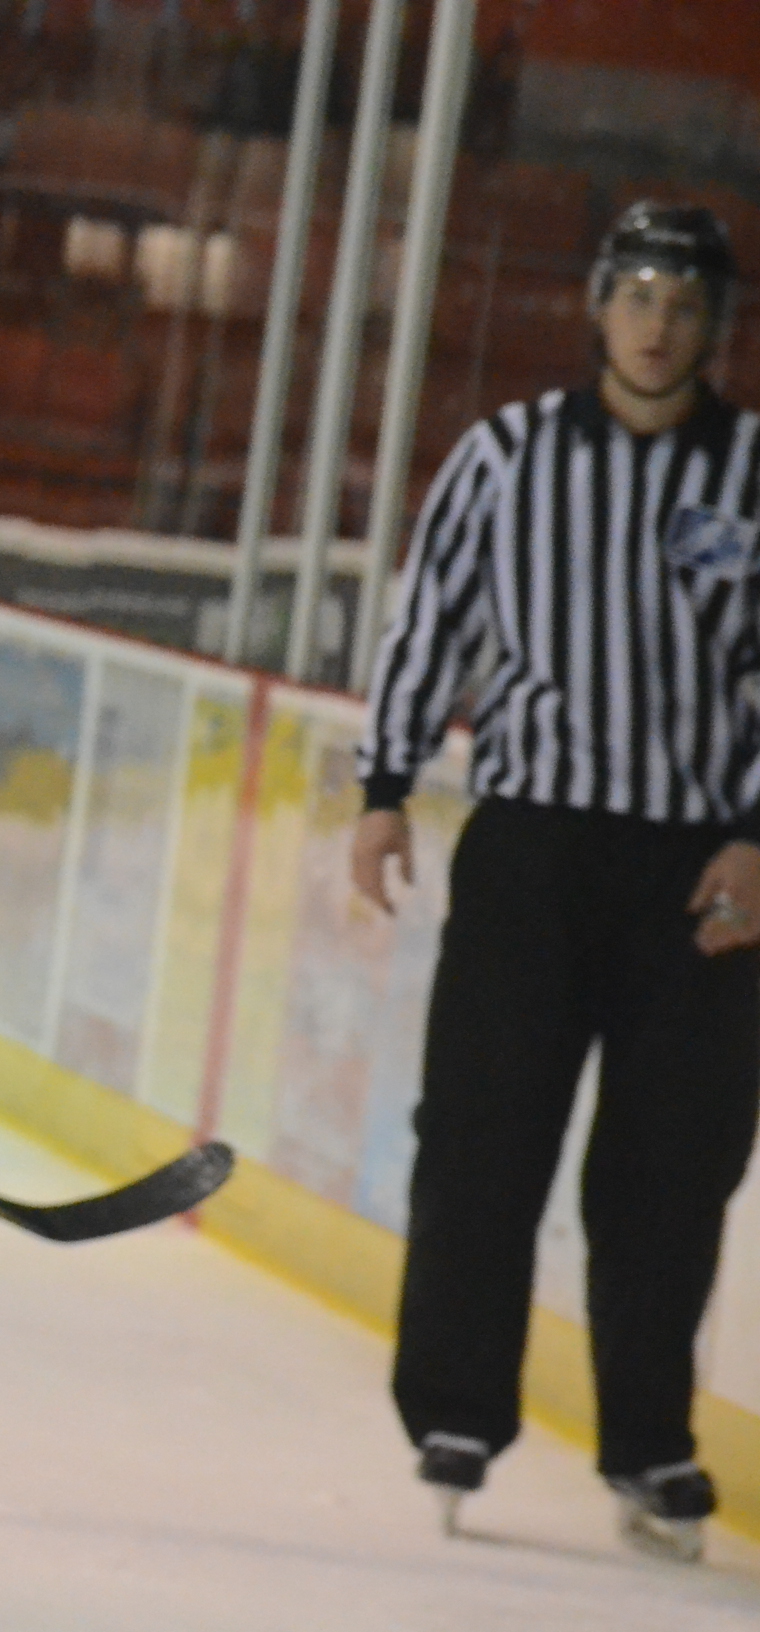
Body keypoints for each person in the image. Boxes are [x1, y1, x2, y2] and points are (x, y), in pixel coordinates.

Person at [353, 201, 760, 1562]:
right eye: (637, 294)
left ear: (714, 327)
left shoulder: (751, 472)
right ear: (597, 304)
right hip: (531, 852)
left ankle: (649, 1443)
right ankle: (456, 1413)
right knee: (482, 1139)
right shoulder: (508, 454)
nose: (657, 324)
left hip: (699, 875)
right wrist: (383, 787)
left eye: (684, 304)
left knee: (671, 1170)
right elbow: (431, 620)